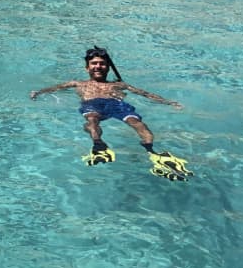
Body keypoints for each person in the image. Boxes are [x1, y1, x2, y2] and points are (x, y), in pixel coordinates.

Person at [30, 46, 191, 179]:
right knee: (92, 120)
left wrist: (168, 102)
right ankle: (98, 145)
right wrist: (39, 92)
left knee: (136, 122)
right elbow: (55, 88)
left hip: (116, 104)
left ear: (108, 67)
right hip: (92, 104)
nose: (98, 66)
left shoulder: (120, 85)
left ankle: (151, 150)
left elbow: (144, 94)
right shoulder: (78, 83)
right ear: (87, 67)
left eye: (102, 64)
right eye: (94, 63)